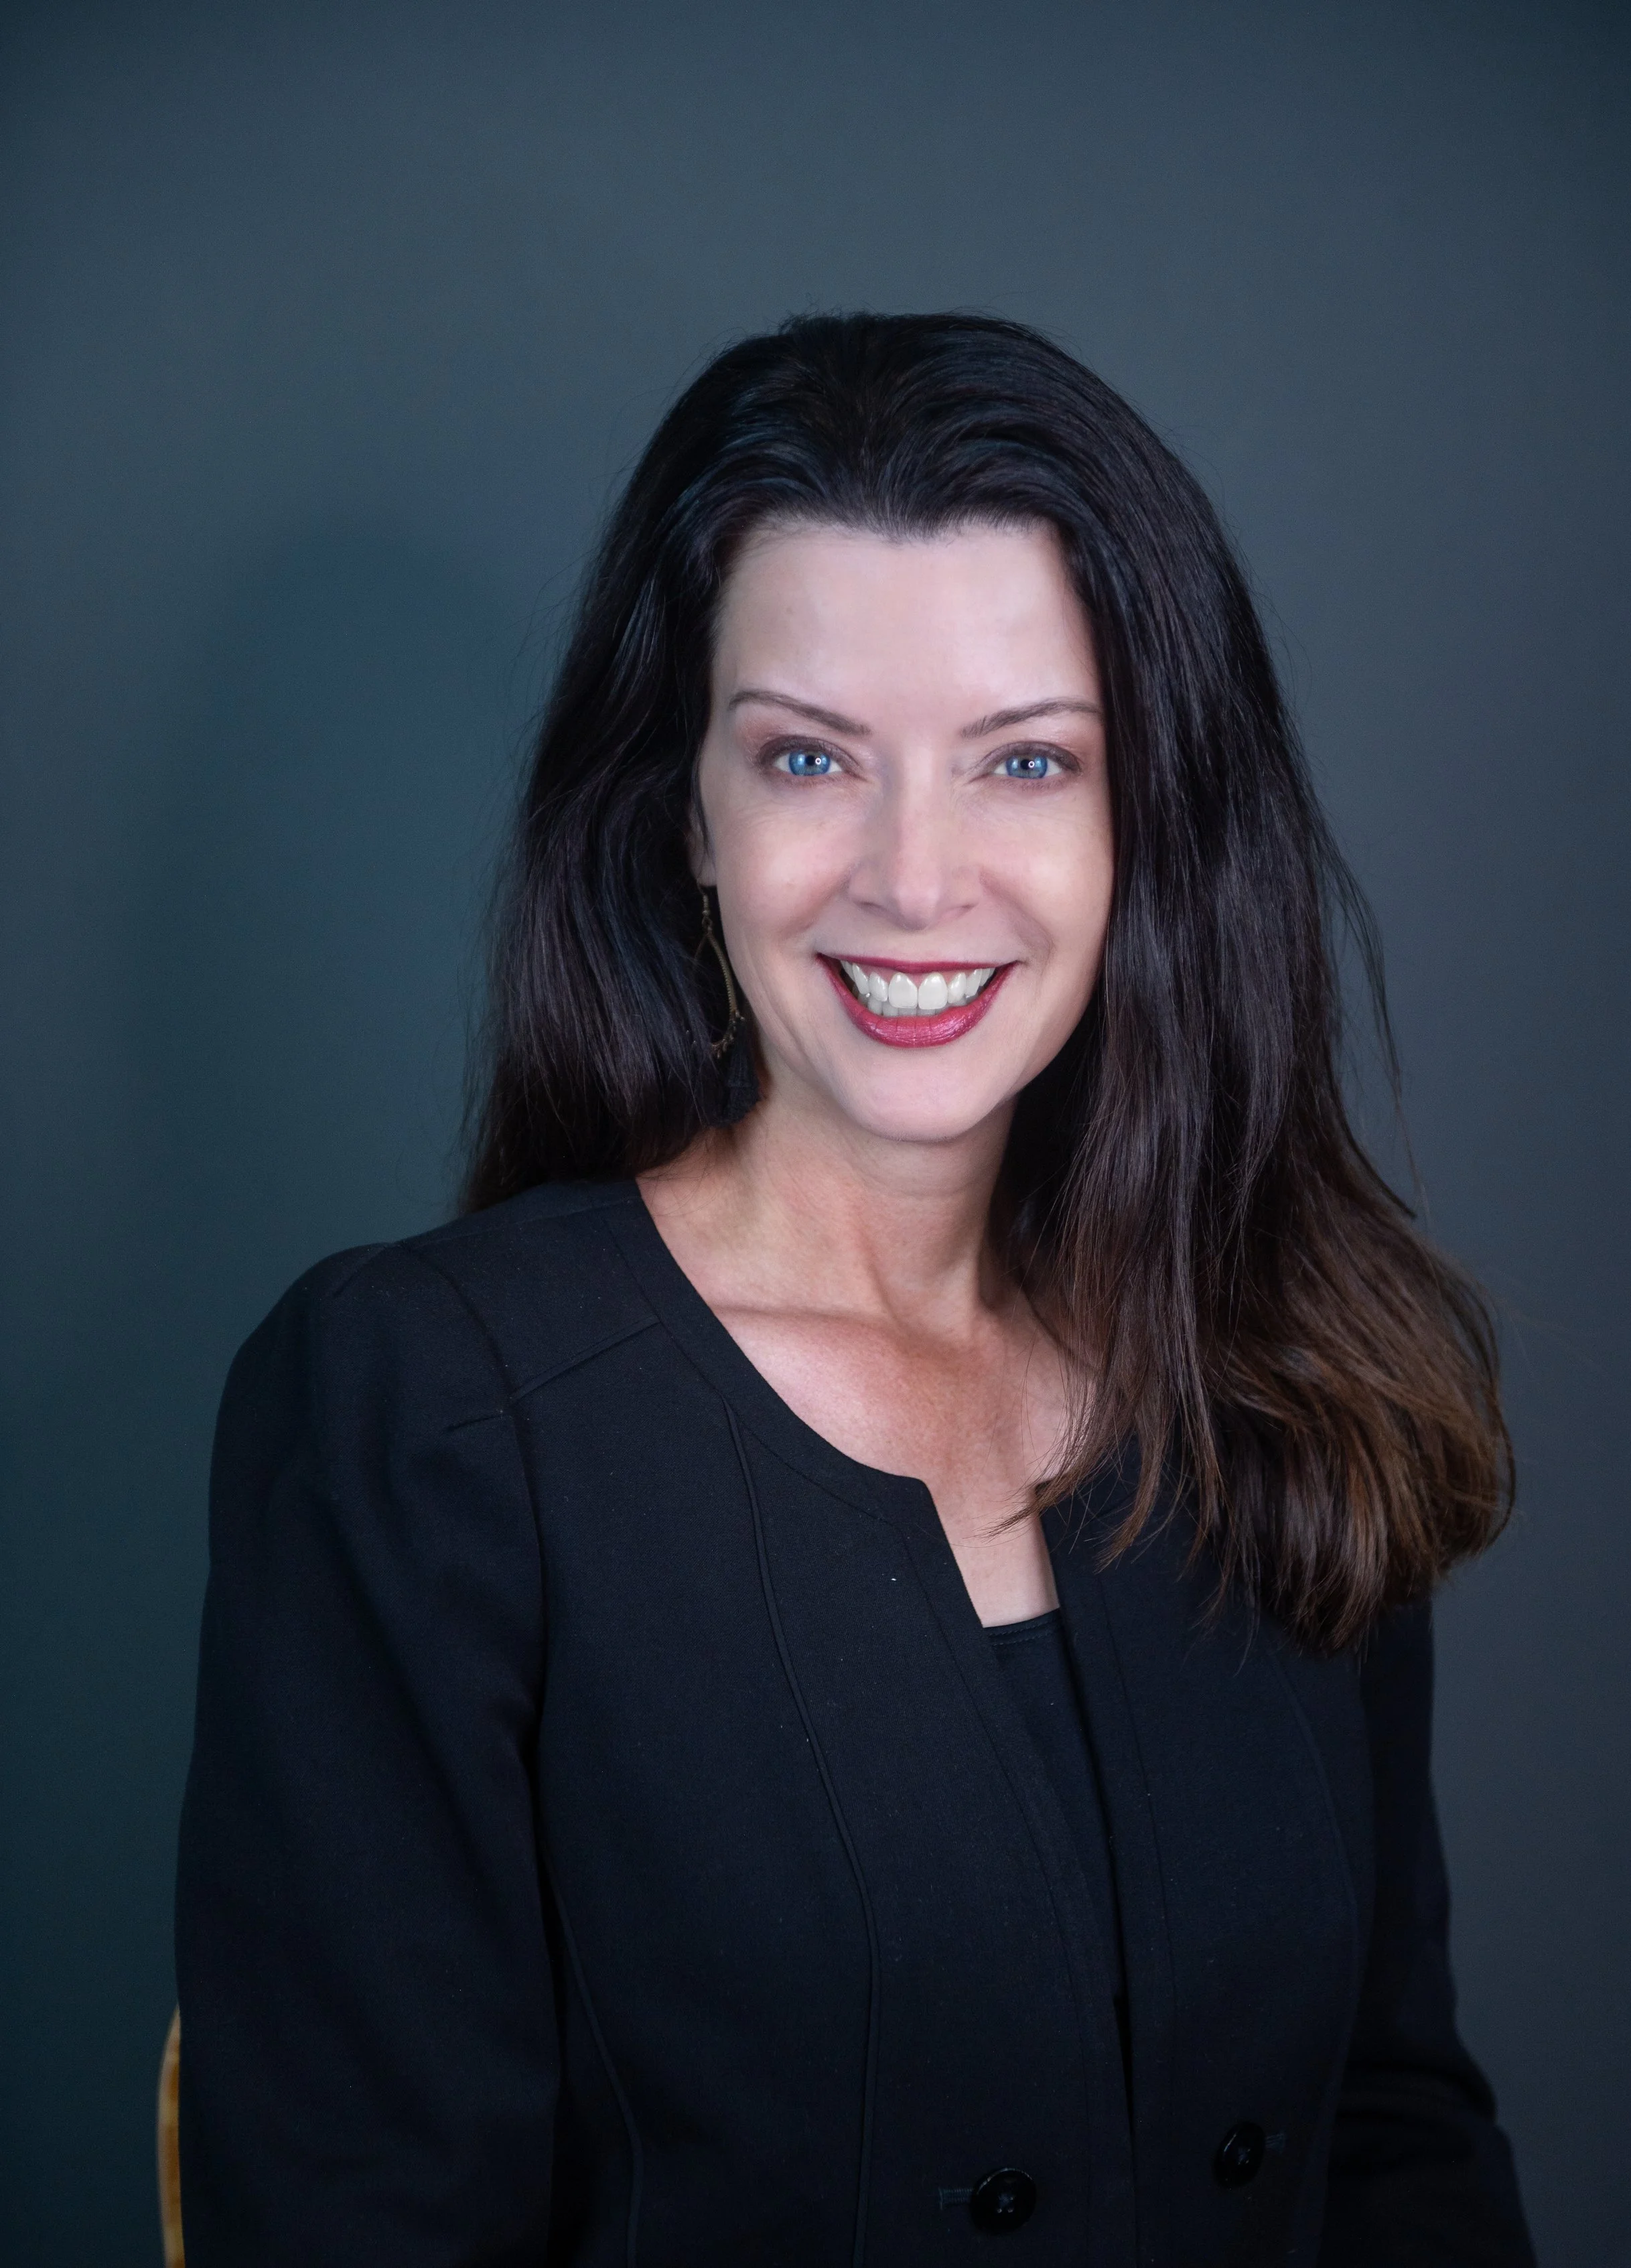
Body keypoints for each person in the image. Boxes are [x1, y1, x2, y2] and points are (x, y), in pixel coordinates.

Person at [175, 311, 1536, 2266]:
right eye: (809, 756)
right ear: (685, 819)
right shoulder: (421, 1410)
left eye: (1026, 762)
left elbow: (1396, 2130)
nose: (915, 876)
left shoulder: (1269, 1365)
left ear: (1145, 824)